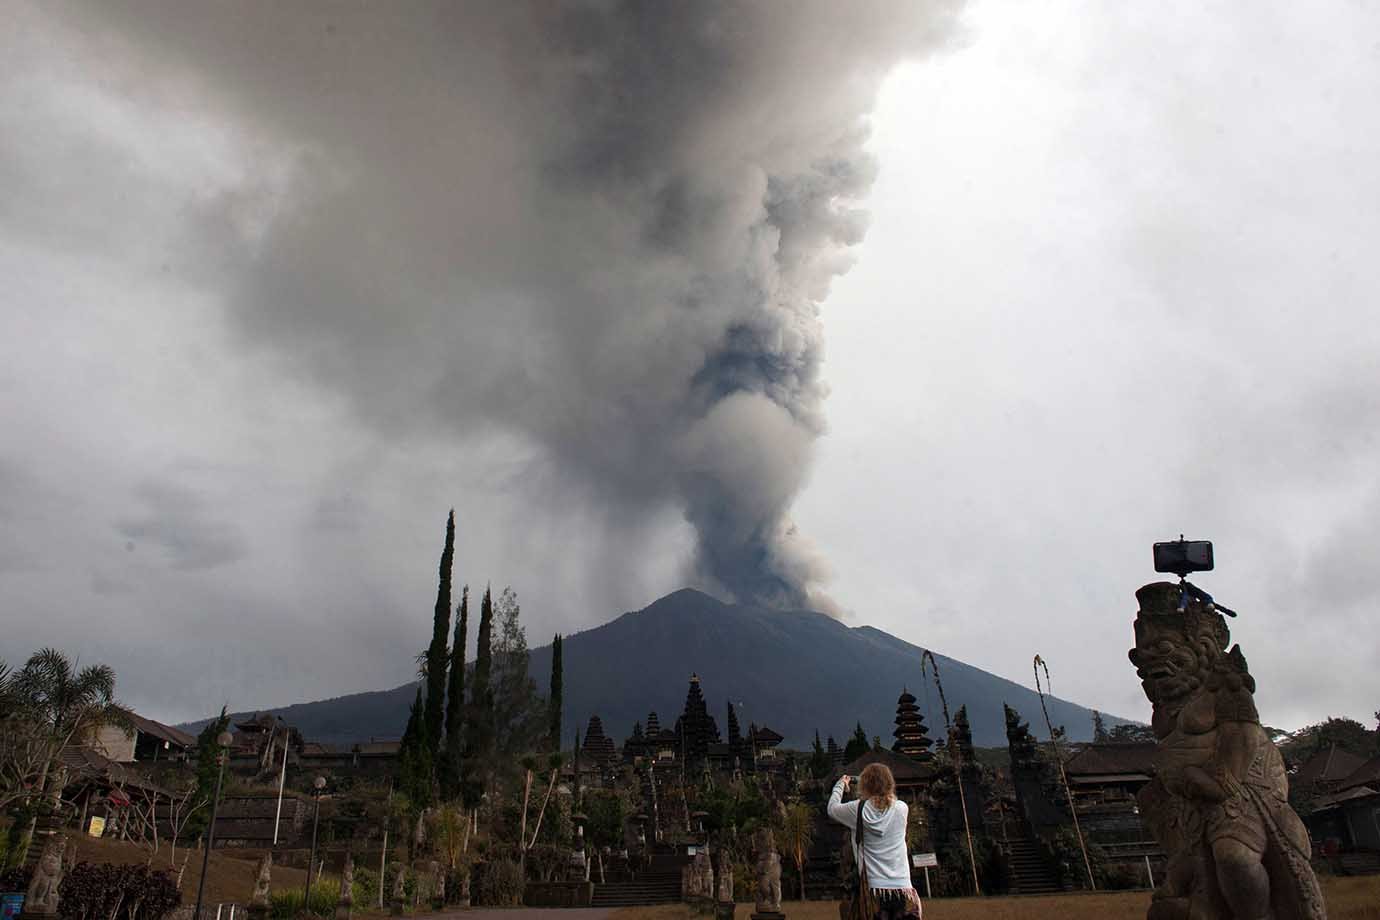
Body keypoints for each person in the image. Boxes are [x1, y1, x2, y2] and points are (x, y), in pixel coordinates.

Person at [827, 763, 921, 919]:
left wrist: (840, 785)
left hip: (872, 887)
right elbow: (887, 801)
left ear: (864, 785)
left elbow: (832, 809)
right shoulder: (902, 809)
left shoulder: (857, 809)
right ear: (890, 783)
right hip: (902, 886)